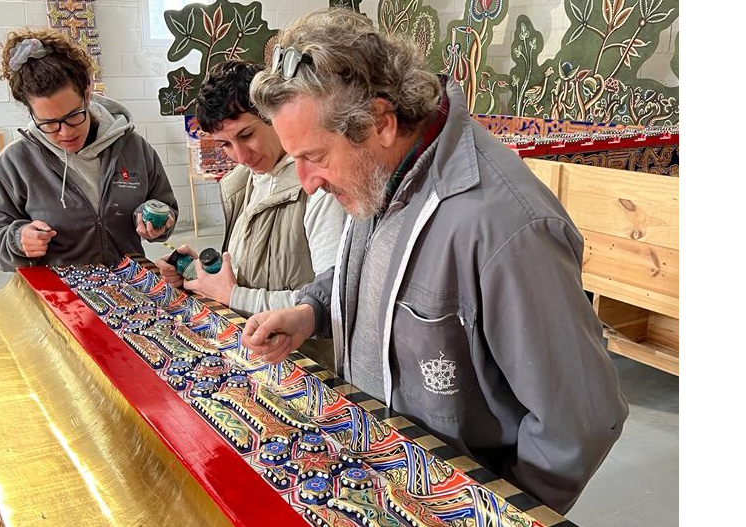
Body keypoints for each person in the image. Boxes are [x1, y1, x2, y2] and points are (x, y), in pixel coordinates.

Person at [242, 8, 628, 514]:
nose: (307, 180)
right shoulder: (381, 171)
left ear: (380, 121)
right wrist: (312, 311)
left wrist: (496, 509)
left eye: (314, 156)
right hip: (384, 481)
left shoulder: (506, 228)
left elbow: (581, 419)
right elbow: (385, 276)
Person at [155, 60, 346, 367]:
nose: (241, 156)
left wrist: (235, 297)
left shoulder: (318, 188)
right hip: (252, 355)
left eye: (246, 135)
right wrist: (203, 273)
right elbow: (250, 272)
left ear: (273, 116)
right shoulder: (242, 184)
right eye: (225, 145)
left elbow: (335, 300)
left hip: (304, 366)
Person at [0, 28, 178, 272]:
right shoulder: (16, 162)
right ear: (31, 112)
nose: (65, 132)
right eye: (49, 123)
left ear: (87, 94)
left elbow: (166, 206)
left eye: (73, 116)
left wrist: (160, 223)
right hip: (59, 297)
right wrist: (18, 240)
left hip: (128, 289)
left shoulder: (133, 148)